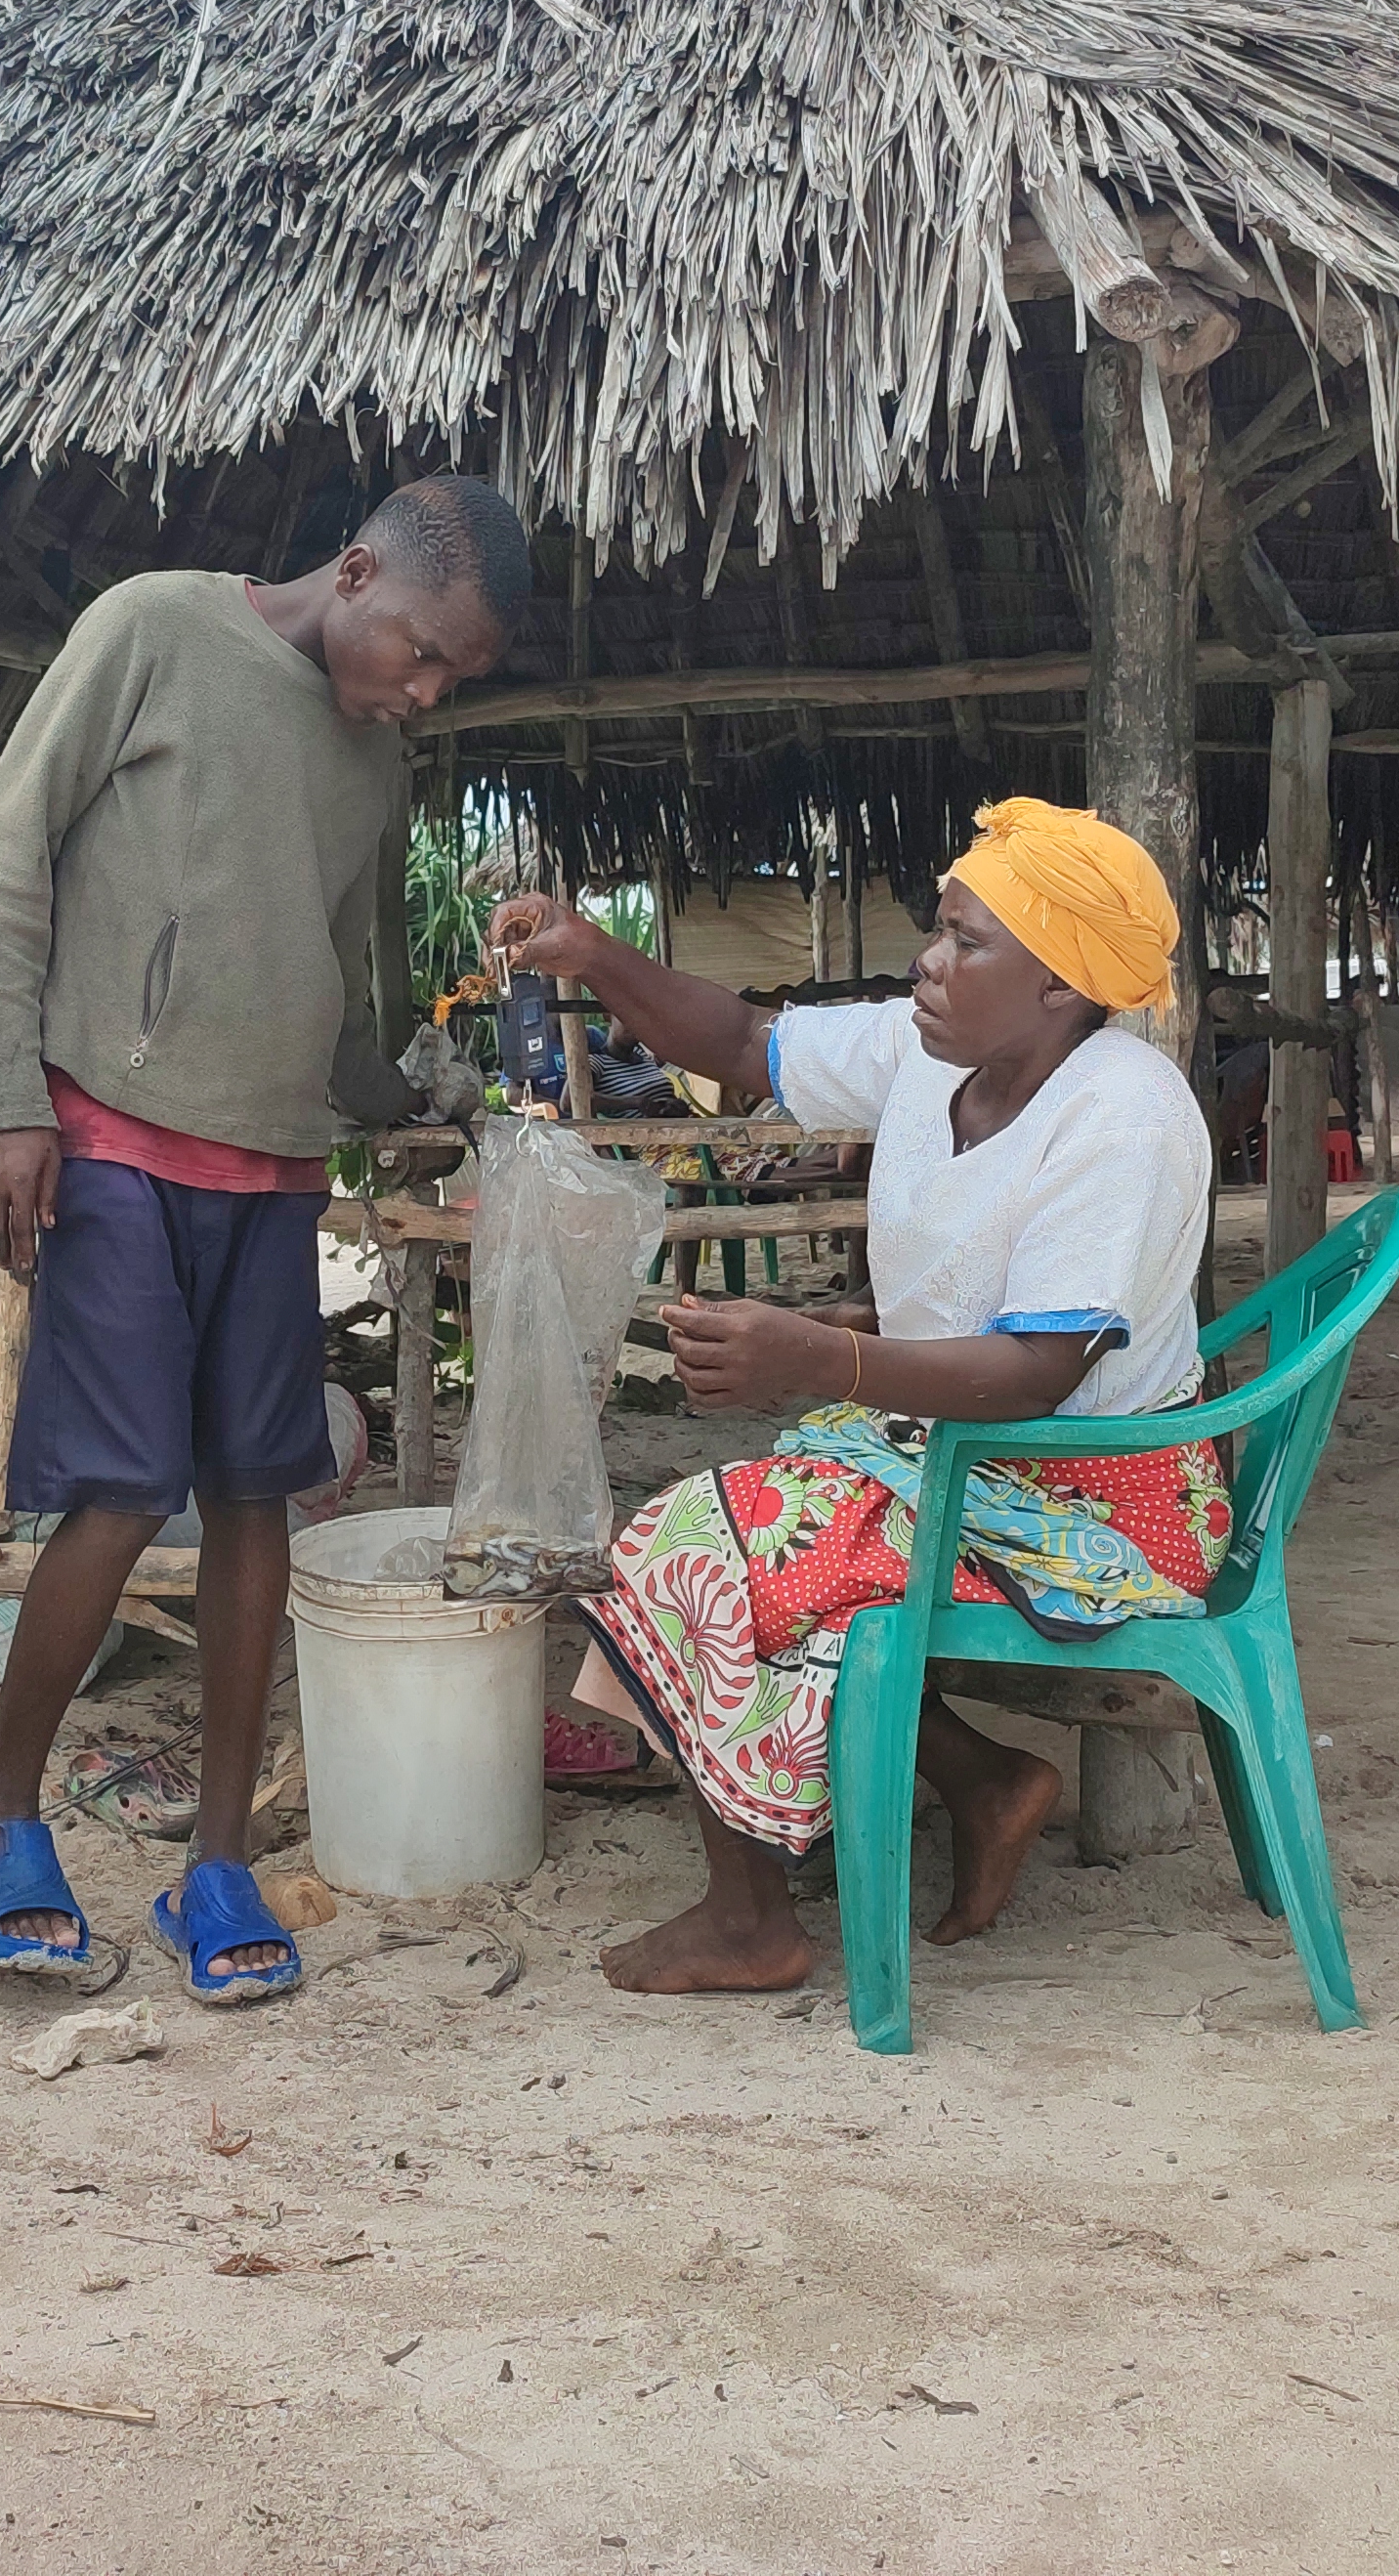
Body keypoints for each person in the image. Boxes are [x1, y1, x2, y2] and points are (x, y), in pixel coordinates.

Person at [0, 479, 525, 2003]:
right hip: (115, 1142)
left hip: (270, 1171)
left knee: (259, 1493)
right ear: (352, 572)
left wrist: (404, 1096)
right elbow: (5, 852)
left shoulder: (372, 764)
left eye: (456, 675)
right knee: (124, 1492)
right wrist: (9, 1105)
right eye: (423, 650)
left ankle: (216, 1863)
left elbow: (339, 978)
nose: (427, 689)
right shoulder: (152, 629)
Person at [485, 798, 1226, 1997]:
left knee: (695, 1549)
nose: (929, 963)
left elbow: (1041, 1372)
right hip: (970, 1458)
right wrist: (592, 953)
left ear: (1060, 987)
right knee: (763, 1534)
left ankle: (749, 1921)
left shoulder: (1122, 1117)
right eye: (939, 929)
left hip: (1097, 1505)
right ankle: (982, 1782)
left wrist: (825, 1360)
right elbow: (740, 1044)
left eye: (967, 942)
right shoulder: (931, 1059)